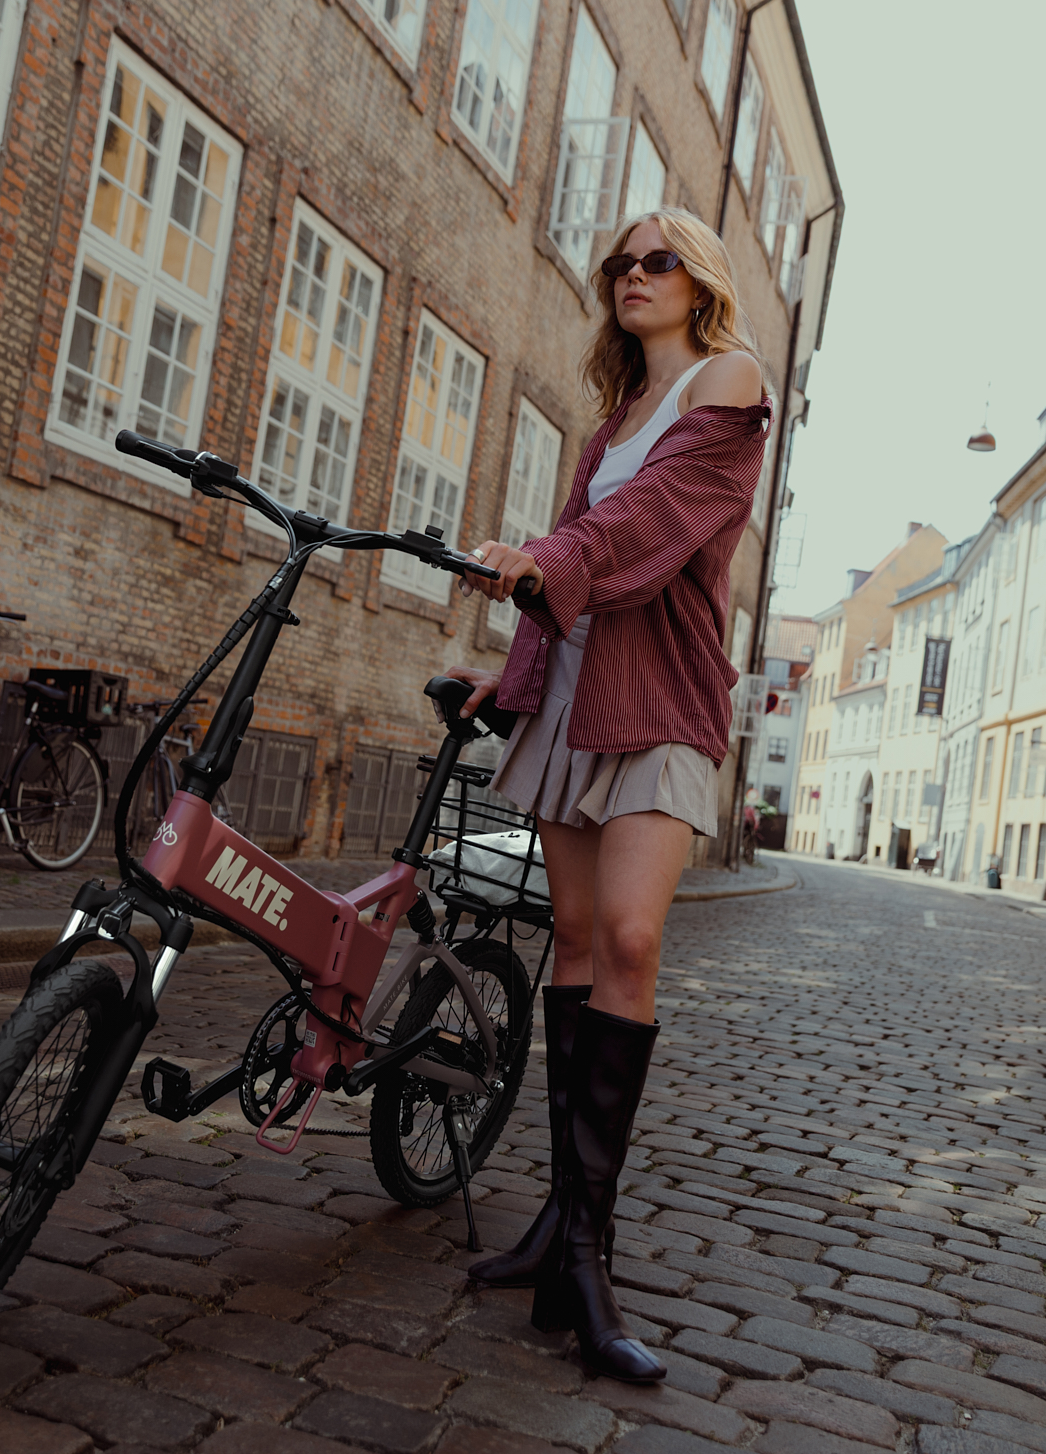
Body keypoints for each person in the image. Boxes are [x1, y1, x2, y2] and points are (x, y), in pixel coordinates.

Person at [445, 206, 770, 1383]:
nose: (634, 276)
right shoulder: (614, 416)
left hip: (657, 699)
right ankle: (555, 1229)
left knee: (630, 938)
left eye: (659, 259)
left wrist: (553, 558)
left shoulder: (726, 389)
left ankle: (588, 1255)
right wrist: (510, 675)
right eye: (619, 264)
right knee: (572, 940)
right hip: (574, 697)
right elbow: (581, 540)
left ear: (699, 281)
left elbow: (647, 530)